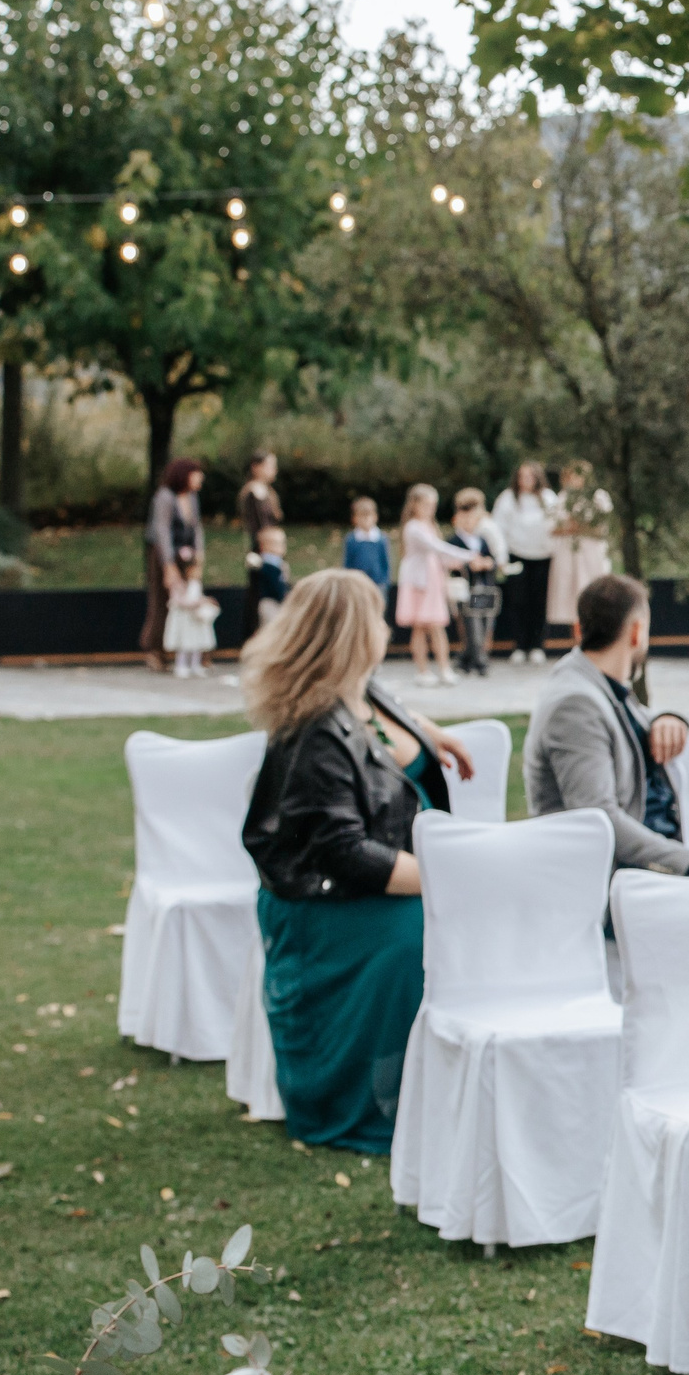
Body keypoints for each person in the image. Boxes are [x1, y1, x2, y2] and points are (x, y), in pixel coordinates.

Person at [239, 569, 478, 1154]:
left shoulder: (364, 689)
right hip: (327, 900)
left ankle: (451, 1086)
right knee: (420, 931)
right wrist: (450, 883)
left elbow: (382, 722)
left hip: (378, 875)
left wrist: (429, 732)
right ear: (350, 634)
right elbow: (342, 852)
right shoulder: (316, 730)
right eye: (373, 616)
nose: (385, 625)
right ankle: (375, 1103)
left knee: (467, 926)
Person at [524, 573, 689, 877]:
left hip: (648, 869)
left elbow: (628, 718)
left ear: (579, 630)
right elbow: (598, 818)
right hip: (616, 886)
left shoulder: (594, 682)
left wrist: (667, 718)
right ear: (636, 633)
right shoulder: (575, 705)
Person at [393, 484, 474, 688]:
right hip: (418, 583)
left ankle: (444, 669)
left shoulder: (429, 526)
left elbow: (438, 556)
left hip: (432, 582)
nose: (431, 509)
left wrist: (456, 562)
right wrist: (470, 557)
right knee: (421, 627)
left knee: (437, 626)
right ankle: (424, 671)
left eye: (433, 505)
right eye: (427, 504)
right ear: (415, 505)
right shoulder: (413, 528)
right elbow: (436, 548)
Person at [491, 461, 559, 663]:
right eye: (522, 476)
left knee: (540, 602)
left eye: (530, 476)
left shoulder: (548, 498)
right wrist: (501, 558)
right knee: (518, 601)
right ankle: (520, 645)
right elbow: (498, 530)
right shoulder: (508, 499)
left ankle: (538, 645)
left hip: (543, 558)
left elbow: (557, 525)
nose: (526, 480)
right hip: (517, 556)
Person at [141, 458, 203, 670]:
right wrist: (168, 566)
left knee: (188, 598)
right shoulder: (165, 498)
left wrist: (199, 553)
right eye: (196, 474)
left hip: (184, 554)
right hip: (162, 554)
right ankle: (154, 649)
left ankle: (188, 650)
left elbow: (196, 527)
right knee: (162, 600)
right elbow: (162, 531)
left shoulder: (192, 497)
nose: (200, 478)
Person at [545, 461, 613, 630]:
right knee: (571, 597)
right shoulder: (563, 498)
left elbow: (605, 528)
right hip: (569, 553)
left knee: (592, 592)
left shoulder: (598, 497)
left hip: (590, 553)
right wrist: (569, 528)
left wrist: (580, 527)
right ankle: (578, 641)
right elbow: (552, 528)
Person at [446, 488, 504, 677]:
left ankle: (465, 659)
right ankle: (480, 661)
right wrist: (470, 565)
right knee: (472, 626)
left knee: (485, 623)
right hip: (466, 590)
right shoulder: (454, 541)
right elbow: (451, 565)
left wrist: (488, 564)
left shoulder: (482, 540)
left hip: (485, 589)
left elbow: (494, 560)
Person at [163, 552, 218, 678]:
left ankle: (195, 665)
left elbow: (197, 596)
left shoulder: (196, 583)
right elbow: (180, 601)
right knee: (185, 644)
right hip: (185, 620)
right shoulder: (177, 585)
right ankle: (181, 665)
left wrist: (206, 601)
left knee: (196, 643)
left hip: (196, 620)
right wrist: (199, 602)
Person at [341, 496, 392, 606]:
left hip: (378, 583)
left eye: (368, 516)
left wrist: (385, 582)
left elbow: (385, 562)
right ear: (354, 519)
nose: (365, 520)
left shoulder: (381, 539)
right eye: (361, 516)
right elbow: (348, 562)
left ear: (375, 517)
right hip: (357, 584)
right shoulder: (352, 539)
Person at [237, 450, 283, 548]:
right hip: (262, 548)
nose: (274, 470)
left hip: (271, 547)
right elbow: (261, 526)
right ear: (256, 467)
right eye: (270, 466)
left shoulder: (268, 491)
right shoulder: (254, 492)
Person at [248, 525, 292, 629]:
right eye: (276, 543)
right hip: (270, 603)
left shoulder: (278, 564)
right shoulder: (268, 565)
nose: (282, 546)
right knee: (271, 628)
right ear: (263, 546)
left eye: (282, 542)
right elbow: (275, 585)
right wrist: (284, 597)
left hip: (276, 603)